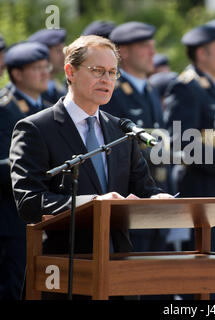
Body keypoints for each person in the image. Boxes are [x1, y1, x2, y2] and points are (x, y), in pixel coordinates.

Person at [9, 35, 172, 261]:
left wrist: (157, 199)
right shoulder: (36, 129)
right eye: (97, 70)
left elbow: (144, 189)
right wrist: (93, 203)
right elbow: (29, 202)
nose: (107, 79)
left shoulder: (121, 130)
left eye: (112, 72)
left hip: (118, 260)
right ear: (70, 72)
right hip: (64, 263)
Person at [164, 23, 215, 255]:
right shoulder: (186, 88)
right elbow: (181, 141)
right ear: (202, 53)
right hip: (204, 192)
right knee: (205, 273)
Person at [102, 22, 170, 252]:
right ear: (124, 53)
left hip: (156, 192)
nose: (153, 52)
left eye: (152, 45)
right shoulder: (115, 91)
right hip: (131, 196)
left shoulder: (149, 90)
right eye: (144, 46)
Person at [0, 41, 51, 300]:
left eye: (46, 66)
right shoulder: (4, 108)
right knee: (17, 284)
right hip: (14, 214)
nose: (45, 73)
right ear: (17, 74)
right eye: (37, 68)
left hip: (49, 211)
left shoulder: (52, 105)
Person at [28, 29, 67, 104]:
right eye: (58, 51)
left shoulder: (60, 90)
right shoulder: (31, 90)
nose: (64, 56)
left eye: (64, 50)